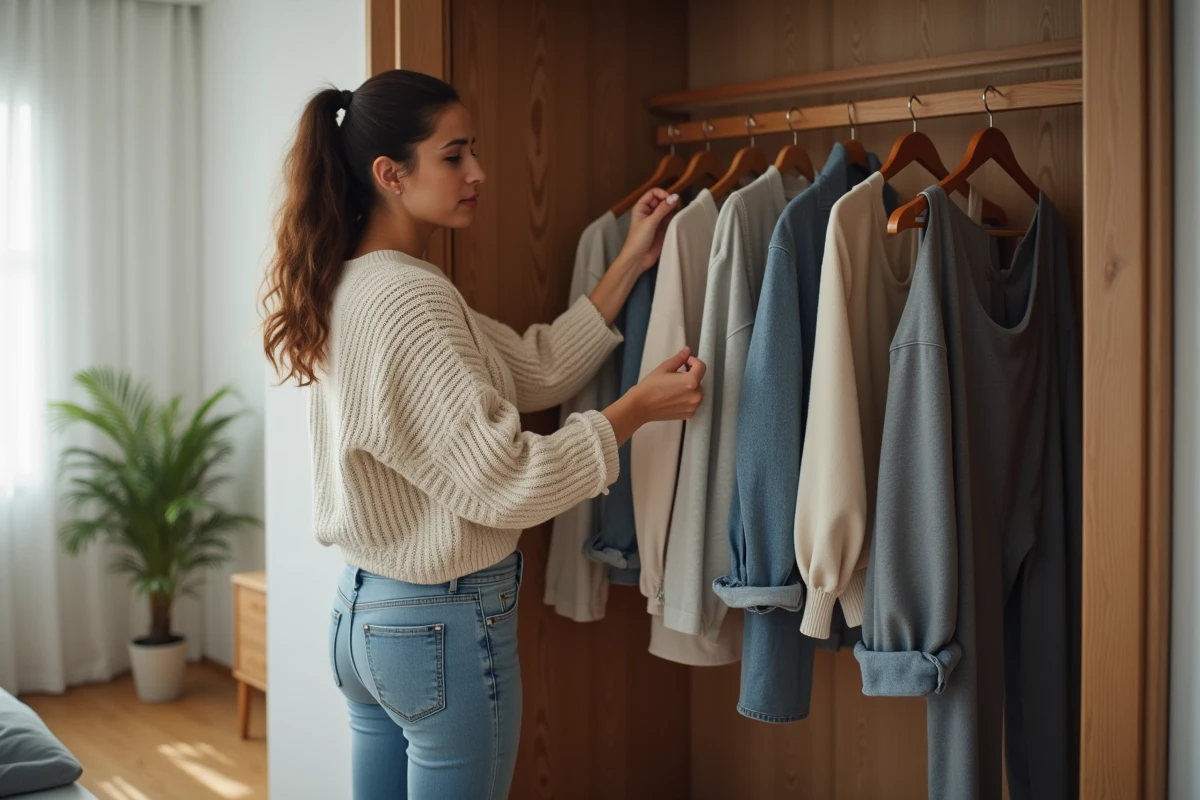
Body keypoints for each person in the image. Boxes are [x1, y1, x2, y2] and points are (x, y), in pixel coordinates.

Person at [259, 68, 704, 799]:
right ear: (391, 174)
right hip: (439, 623)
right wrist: (636, 410)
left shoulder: (350, 281)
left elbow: (532, 367)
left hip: (364, 617)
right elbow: (508, 481)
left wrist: (630, 260)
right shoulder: (410, 299)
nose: (478, 172)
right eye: (454, 155)